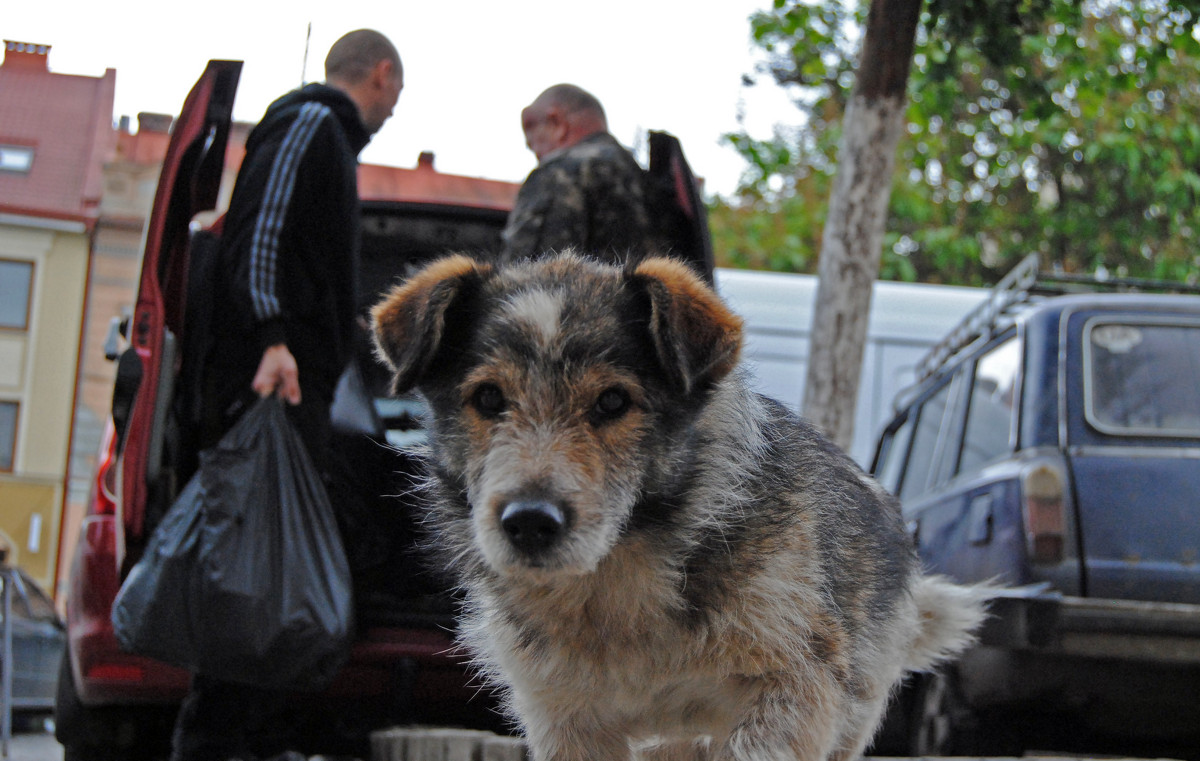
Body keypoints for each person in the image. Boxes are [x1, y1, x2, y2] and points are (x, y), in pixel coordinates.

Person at [171, 29, 403, 761]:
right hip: (269, 383)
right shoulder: (313, 123)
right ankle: (211, 738)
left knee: (267, 574)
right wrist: (274, 336)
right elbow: (262, 238)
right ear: (383, 75)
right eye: (397, 94)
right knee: (254, 575)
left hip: (289, 385)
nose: (394, 109)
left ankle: (248, 736)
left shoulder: (322, 138)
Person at [499, 84, 653, 265]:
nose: (531, 148)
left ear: (556, 122)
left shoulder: (559, 175)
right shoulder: (646, 178)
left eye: (532, 142)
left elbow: (525, 274)